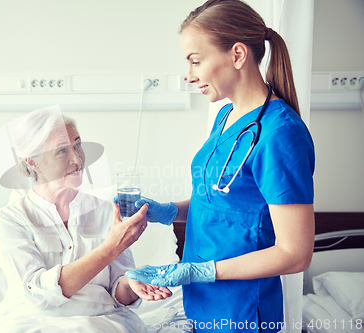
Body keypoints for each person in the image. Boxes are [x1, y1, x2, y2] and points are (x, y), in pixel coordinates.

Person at [124, 0, 315, 332]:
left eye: (196, 61)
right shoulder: (228, 117)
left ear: (237, 55)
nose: (189, 75)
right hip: (204, 305)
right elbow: (220, 203)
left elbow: (295, 253)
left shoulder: (280, 134)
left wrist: (203, 270)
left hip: (243, 312)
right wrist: (168, 211)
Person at [0, 109, 172, 332]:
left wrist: (133, 281)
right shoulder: (10, 220)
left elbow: (118, 292)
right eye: (61, 151)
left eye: (77, 144)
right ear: (34, 163)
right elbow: (38, 293)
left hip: (100, 320)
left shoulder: (107, 212)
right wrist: (110, 248)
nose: (77, 159)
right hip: (31, 321)